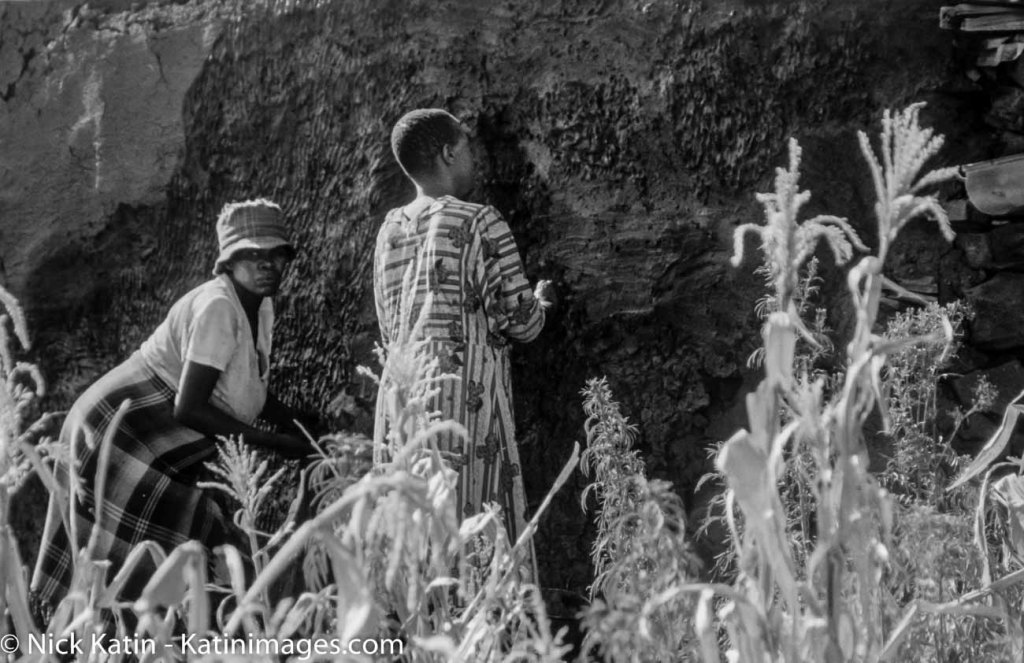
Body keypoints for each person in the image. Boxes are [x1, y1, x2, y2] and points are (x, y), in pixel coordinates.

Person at [31, 198, 309, 624]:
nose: (267, 264)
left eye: (276, 254)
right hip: (123, 432)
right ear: (228, 262)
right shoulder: (218, 306)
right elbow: (190, 407)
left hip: (155, 443)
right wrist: (276, 443)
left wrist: (301, 428)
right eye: (252, 255)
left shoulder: (259, 306)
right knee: (112, 564)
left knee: (191, 539)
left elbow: (247, 387)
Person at [373, 108, 553, 554]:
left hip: (401, 396)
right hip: (463, 391)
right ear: (450, 152)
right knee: (473, 519)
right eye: (468, 147)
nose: (474, 158)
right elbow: (523, 323)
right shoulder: (479, 221)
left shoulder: (389, 230)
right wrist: (544, 302)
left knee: (415, 531)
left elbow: (387, 321)